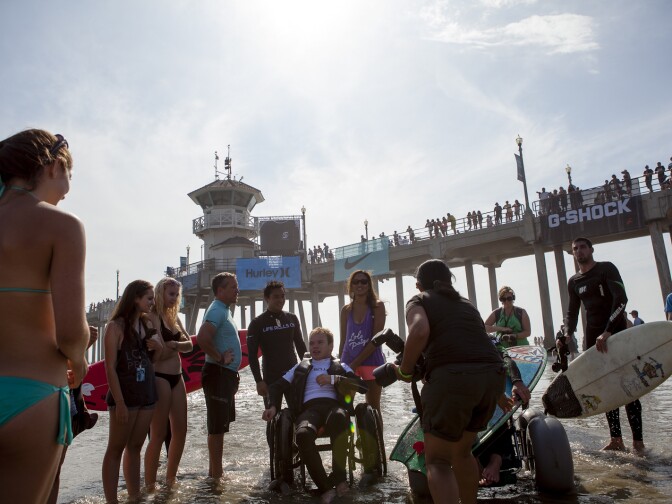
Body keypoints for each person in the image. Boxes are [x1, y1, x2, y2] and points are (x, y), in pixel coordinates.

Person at [0, 129, 90, 503]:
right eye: (70, 171)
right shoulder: (62, 225)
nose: (69, 183)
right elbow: (70, 333)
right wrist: (81, 359)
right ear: (53, 166)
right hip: (31, 397)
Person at [394, 259, 505, 504]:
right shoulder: (466, 304)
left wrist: (404, 370)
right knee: (462, 452)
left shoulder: (420, 300)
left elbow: (420, 331)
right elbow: (479, 345)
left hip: (453, 380)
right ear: (449, 280)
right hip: (492, 378)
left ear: (418, 285)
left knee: (437, 461)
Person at [561, 237, 644, 453]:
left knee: (629, 385)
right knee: (605, 386)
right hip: (593, 339)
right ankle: (616, 439)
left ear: (591, 249)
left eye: (582, 247)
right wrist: (568, 333)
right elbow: (572, 312)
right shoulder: (574, 281)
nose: (579, 251)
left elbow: (621, 299)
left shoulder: (606, 269)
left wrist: (608, 331)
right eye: (575, 249)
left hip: (616, 333)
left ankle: (638, 442)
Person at [262, 327, 363, 504]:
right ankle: (325, 487)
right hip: (309, 410)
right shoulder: (300, 367)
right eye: (312, 343)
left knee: (339, 418)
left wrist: (332, 379)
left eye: (320, 342)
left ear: (330, 346)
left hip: (334, 407)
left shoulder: (340, 365)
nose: (315, 346)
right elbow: (276, 386)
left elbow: (360, 386)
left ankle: (339, 478)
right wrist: (272, 407)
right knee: (302, 435)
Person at [102, 280, 163, 503]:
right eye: (149, 298)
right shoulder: (115, 327)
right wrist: (118, 402)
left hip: (146, 392)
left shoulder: (147, 324)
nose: (152, 302)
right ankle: (111, 500)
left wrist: (159, 348)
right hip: (124, 396)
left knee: (136, 446)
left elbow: (152, 360)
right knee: (116, 448)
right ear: (135, 298)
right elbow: (109, 367)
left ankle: (134, 496)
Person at [144, 278, 193, 490]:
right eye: (170, 294)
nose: (173, 298)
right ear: (160, 293)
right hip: (160, 377)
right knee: (158, 434)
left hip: (177, 376)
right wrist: (175, 346)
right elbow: (159, 353)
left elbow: (190, 344)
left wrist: (172, 344)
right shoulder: (151, 317)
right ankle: (150, 484)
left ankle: (170, 479)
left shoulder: (174, 318)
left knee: (181, 430)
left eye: (176, 294)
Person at [247, 281, 307, 447]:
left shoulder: (292, 318)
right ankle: (275, 455)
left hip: (293, 375)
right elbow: (252, 356)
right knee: (272, 416)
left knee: (299, 413)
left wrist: (310, 370)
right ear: (267, 298)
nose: (280, 300)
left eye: (283, 296)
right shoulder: (257, 323)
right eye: (276, 297)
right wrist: (259, 381)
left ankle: (298, 449)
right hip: (271, 378)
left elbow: (301, 346)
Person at [196, 272, 241, 479]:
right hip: (218, 374)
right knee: (216, 427)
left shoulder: (224, 310)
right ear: (220, 290)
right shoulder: (217, 310)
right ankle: (216, 476)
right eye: (232, 286)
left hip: (224, 375)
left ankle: (215, 473)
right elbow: (203, 337)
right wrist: (220, 357)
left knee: (219, 427)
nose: (237, 290)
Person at [339, 270, 386, 417]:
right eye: (356, 282)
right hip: (349, 362)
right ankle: (346, 439)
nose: (360, 284)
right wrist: (341, 365)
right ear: (351, 286)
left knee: (374, 409)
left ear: (369, 285)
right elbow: (343, 340)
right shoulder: (346, 310)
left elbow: (376, 340)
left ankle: (378, 440)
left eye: (364, 281)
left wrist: (356, 363)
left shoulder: (378, 307)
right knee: (345, 408)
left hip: (371, 361)